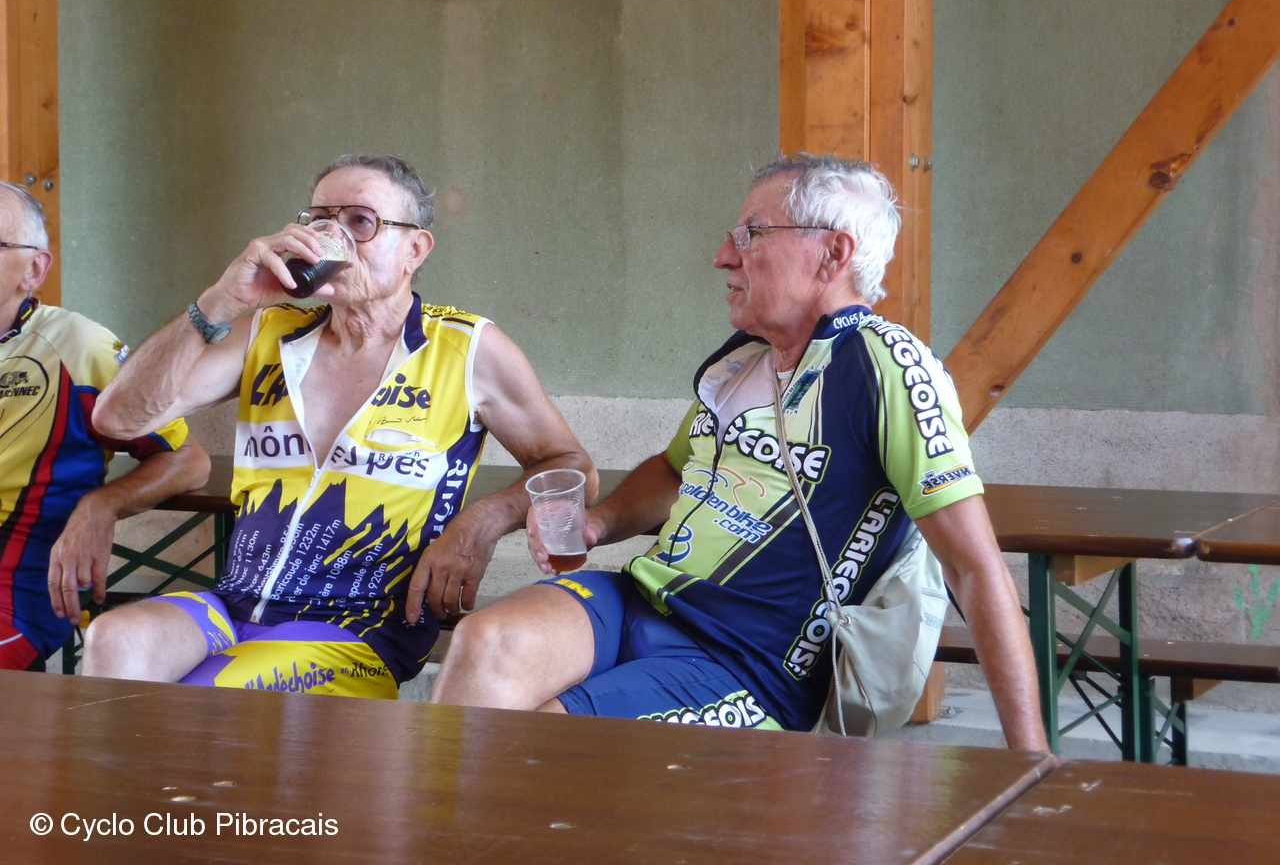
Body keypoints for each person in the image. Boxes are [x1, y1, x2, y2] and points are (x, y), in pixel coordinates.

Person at [431, 154, 1049, 751]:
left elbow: (974, 568)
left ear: (833, 253)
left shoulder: (887, 367)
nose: (724, 256)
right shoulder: (742, 361)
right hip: (644, 600)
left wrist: (1031, 760)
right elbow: (673, 470)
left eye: (752, 234)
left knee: (539, 747)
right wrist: (598, 522)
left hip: (748, 664)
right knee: (485, 642)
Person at [83, 154, 595, 698]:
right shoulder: (268, 331)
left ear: (414, 250)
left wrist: (482, 521)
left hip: (360, 624)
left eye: (361, 221)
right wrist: (219, 300)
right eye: (320, 219)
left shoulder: (466, 348)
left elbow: (571, 465)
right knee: (113, 637)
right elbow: (118, 418)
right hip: (235, 603)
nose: (333, 237)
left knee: (217, 689)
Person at [0, 181, 209, 672]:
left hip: (17, 590)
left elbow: (188, 461)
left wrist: (104, 503)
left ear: (34, 269)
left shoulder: (77, 346)